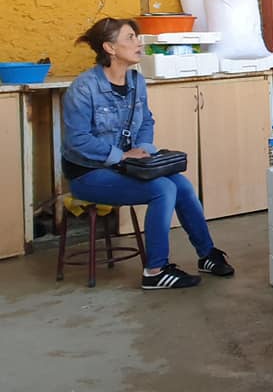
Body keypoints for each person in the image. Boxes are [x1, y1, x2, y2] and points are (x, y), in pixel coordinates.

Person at [61, 18, 235, 290]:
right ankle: (155, 270)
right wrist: (121, 156)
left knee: (182, 185)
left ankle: (207, 254)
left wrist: (145, 150)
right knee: (163, 189)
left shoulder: (136, 81)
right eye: (130, 38)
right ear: (109, 47)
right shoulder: (84, 88)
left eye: (136, 37)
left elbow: (146, 122)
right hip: (89, 173)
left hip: (125, 166)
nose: (138, 43)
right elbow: (77, 140)